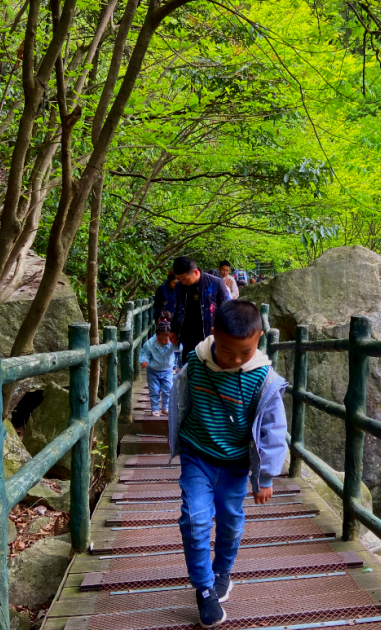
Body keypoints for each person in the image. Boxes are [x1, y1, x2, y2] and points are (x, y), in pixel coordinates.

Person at [168, 301, 288, 627]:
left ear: (259, 338)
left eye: (244, 352)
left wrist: (265, 477)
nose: (235, 359)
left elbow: (273, 429)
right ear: (213, 334)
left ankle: (222, 571)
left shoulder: (264, 379)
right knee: (194, 519)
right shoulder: (195, 361)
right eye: (226, 350)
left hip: (236, 465)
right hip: (198, 456)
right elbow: (182, 397)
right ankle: (204, 589)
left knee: (230, 520)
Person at [172, 256, 230, 365]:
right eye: (180, 279)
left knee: (208, 366)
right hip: (187, 335)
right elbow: (177, 308)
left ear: (195, 272)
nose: (182, 282)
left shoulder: (215, 283)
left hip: (209, 333)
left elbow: (226, 309)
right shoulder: (180, 286)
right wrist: (173, 330)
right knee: (188, 367)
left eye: (185, 278)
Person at [139, 319, 181, 416]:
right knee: (154, 390)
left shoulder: (172, 343)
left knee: (168, 389)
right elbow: (145, 354)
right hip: (153, 371)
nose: (163, 341)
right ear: (156, 335)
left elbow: (179, 349)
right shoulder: (150, 344)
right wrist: (145, 361)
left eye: (166, 340)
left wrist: (176, 342)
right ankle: (154, 408)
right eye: (160, 339)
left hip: (167, 371)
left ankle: (165, 407)